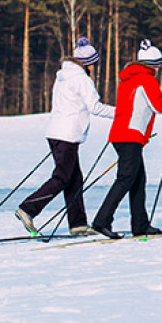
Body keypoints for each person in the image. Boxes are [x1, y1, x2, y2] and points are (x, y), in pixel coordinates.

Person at [92, 39, 162, 238]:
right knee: (126, 179)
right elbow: (160, 106)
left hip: (122, 135)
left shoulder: (127, 80)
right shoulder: (146, 79)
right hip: (130, 136)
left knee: (137, 181)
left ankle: (140, 225)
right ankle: (101, 221)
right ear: (154, 65)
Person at [15, 37, 114, 237]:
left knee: (74, 179)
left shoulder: (63, 77)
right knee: (62, 177)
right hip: (67, 134)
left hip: (56, 132)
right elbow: (95, 107)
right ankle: (28, 209)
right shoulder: (81, 79)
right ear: (87, 64)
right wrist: (123, 113)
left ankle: (77, 224)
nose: (94, 68)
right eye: (94, 64)